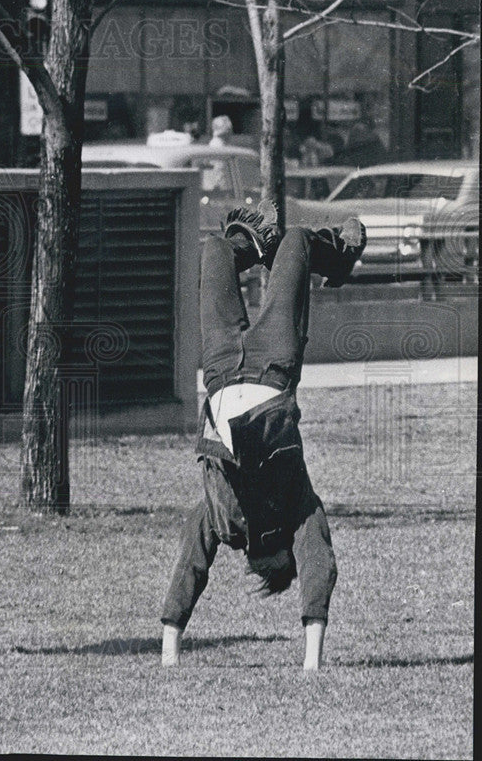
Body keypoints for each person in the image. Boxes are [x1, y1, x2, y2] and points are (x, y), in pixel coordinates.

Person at [159, 201, 367, 672]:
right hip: (273, 372)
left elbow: (190, 566)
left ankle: (250, 243)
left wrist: (169, 650)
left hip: (219, 374)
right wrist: (311, 663)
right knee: (297, 243)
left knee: (214, 249)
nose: (258, 567)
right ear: (285, 560)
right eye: (274, 572)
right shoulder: (297, 512)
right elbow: (320, 566)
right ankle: (340, 254)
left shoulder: (220, 522)